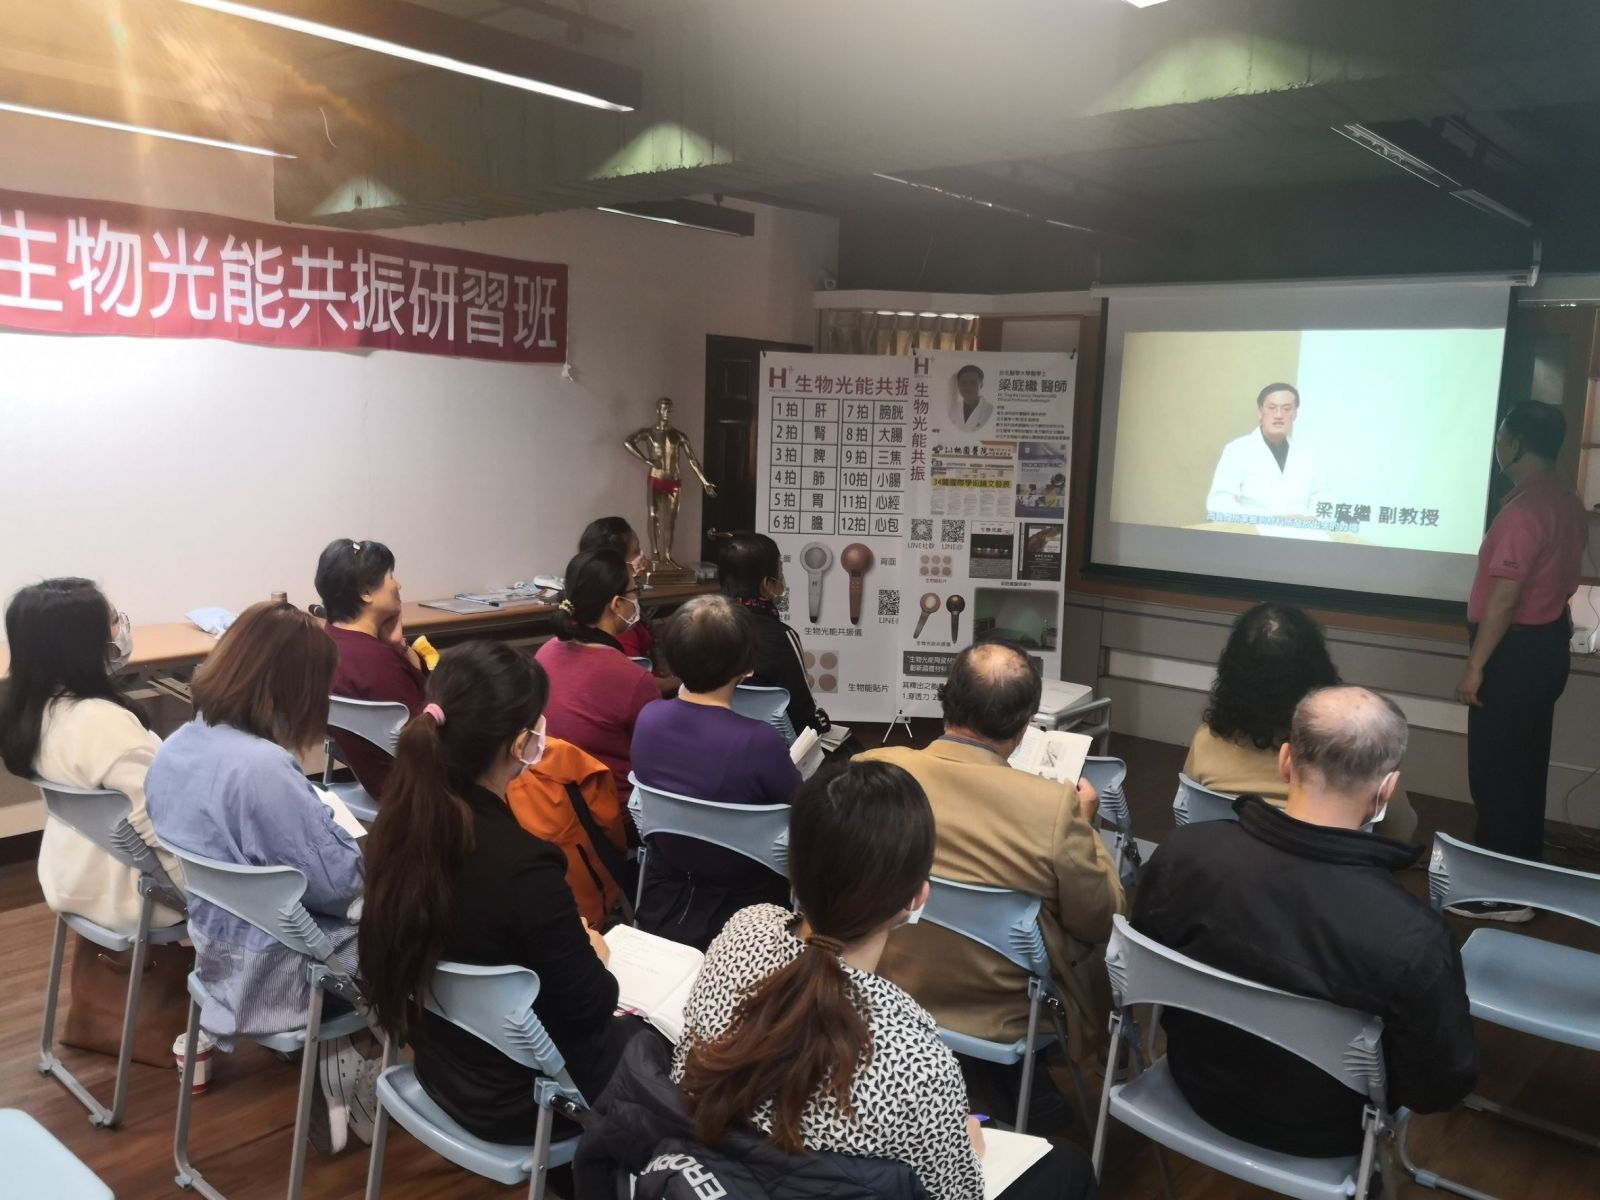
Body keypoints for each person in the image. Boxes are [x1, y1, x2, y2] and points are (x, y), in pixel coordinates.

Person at [576, 761, 1097, 1200]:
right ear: (916, 898)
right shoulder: (916, 1053)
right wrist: (968, 1145)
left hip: (710, 1171)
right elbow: (957, 1194)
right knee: (1068, 1167)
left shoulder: (743, 930)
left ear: (793, 867)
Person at [1135, 687, 1478, 1159]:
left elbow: (1145, 961)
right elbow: (1439, 1085)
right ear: (1386, 791)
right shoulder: (1413, 937)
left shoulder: (1185, 853)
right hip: (1327, 1133)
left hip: (1193, 1083)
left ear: (1285, 761)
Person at [362, 640, 639, 1143]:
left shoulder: (397, 827)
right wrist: (593, 950)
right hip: (529, 1101)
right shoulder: (524, 867)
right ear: (520, 745)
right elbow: (590, 1005)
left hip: (443, 1068)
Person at [145, 601, 373, 1154]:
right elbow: (341, 883)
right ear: (296, 688)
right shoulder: (262, 768)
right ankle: (362, 1064)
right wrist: (332, 830)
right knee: (423, 923)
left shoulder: (176, 746)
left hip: (216, 952)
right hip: (288, 973)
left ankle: (343, 1056)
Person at [861, 641, 1125, 1098]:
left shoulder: (871, 771)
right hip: (1005, 1010)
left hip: (885, 983)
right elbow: (1100, 919)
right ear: (1024, 728)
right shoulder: (1053, 809)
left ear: (946, 701)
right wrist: (1085, 825)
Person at [1455, 401, 1587, 906]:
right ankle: (1521, 877)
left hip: (1514, 654)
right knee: (1525, 770)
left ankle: (1501, 897)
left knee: (1497, 776)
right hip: (1546, 646)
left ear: (1512, 444)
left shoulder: (1524, 511)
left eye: (1500, 438)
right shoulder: (1565, 500)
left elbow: (1505, 599)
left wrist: (1475, 666)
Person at [0, 578, 184, 933]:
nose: (121, 628)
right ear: (82, 643)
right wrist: (207, 900)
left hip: (72, 879)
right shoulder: (105, 727)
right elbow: (161, 829)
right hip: (139, 896)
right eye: (114, 620)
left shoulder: (34, 714)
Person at [631, 596, 801, 948]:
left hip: (673, 881)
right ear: (746, 665)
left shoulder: (648, 719)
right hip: (751, 889)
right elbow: (799, 806)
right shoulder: (759, 741)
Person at [1185, 602, 1418, 841]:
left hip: (1222, 861)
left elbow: (1188, 813)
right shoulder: (1360, 755)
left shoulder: (1205, 744)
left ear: (1231, 672)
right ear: (1319, 669)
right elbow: (1401, 829)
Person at [535, 550, 660, 799]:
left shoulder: (543, 654)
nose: (636, 598)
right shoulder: (633, 679)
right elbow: (656, 760)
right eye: (634, 591)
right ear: (616, 604)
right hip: (615, 810)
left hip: (551, 802)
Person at [314, 538, 427, 799]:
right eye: (391, 577)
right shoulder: (378, 663)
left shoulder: (326, 646)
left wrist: (398, 646)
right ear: (366, 592)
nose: (398, 586)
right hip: (419, 789)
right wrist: (402, 654)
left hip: (374, 781)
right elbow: (434, 724)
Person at [717, 532, 821, 734]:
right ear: (767, 585)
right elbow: (802, 711)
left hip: (712, 738)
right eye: (780, 571)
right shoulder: (781, 636)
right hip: (772, 743)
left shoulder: (703, 629)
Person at [622, 396, 718, 575]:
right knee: (653, 516)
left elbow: (692, 459)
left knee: (670, 521)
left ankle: (667, 557)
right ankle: (655, 556)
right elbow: (628, 442)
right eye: (663, 408)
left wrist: (705, 482)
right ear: (658, 410)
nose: (666, 411)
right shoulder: (649, 433)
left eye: (668, 408)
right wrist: (646, 460)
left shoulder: (679, 435)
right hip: (656, 479)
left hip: (674, 481)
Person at [1204, 383, 1328, 520]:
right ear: (1260, 412)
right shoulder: (1237, 450)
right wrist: (1272, 519)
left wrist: (1310, 519)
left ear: (1295, 414)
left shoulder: (1308, 454)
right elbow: (1218, 504)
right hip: (1253, 531)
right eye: (1272, 408)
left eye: (1286, 409)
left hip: (1301, 531)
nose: (1279, 415)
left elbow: (1323, 498)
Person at [577, 517, 654, 660]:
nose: (643, 556)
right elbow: (634, 673)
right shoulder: (621, 626)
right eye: (636, 550)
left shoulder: (589, 610)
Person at [949, 364, 994, 432]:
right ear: (958, 385)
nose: (968, 387)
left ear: (981, 385)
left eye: (973, 383)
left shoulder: (990, 410)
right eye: (963, 383)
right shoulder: (953, 410)